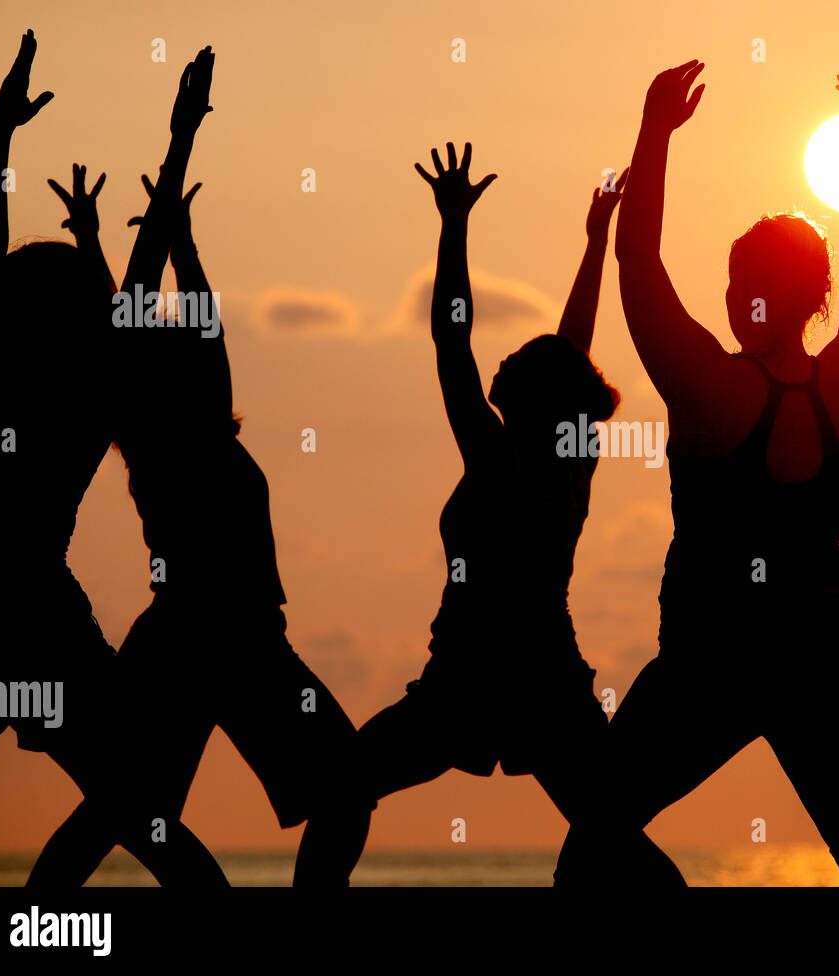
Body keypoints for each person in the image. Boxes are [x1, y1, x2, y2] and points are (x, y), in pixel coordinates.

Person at [29, 47, 372, 887]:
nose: (193, 338)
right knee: (124, 812)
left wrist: (174, 225)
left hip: (250, 642)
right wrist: (177, 148)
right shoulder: (148, 424)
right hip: (193, 640)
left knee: (340, 790)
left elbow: (195, 320)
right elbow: (143, 318)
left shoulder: (205, 422)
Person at [557, 62, 839, 886]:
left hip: (717, 660)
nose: (728, 290)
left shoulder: (708, 388)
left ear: (748, 292)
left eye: (739, 279)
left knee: (593, 847)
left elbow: (637, 260)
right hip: (831, 655)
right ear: (816, 299)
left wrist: (655, 128)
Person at [346, 144, 678, 886]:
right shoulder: (571, 453)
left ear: (527, 394)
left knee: (344, 790)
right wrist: (593, 246)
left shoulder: (497, 457)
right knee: (611, 837)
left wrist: (453, 226)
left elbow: (450, 337)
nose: (502, 364)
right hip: (537, 680)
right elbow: (574, 349)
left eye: (517, 363)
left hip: (476, 676)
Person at [0, 31, 224, 886]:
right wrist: (180, 139)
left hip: (5, 609)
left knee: (133, 803)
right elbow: (133, 282)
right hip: (36, 616)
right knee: (136, 806)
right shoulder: (82, 396)